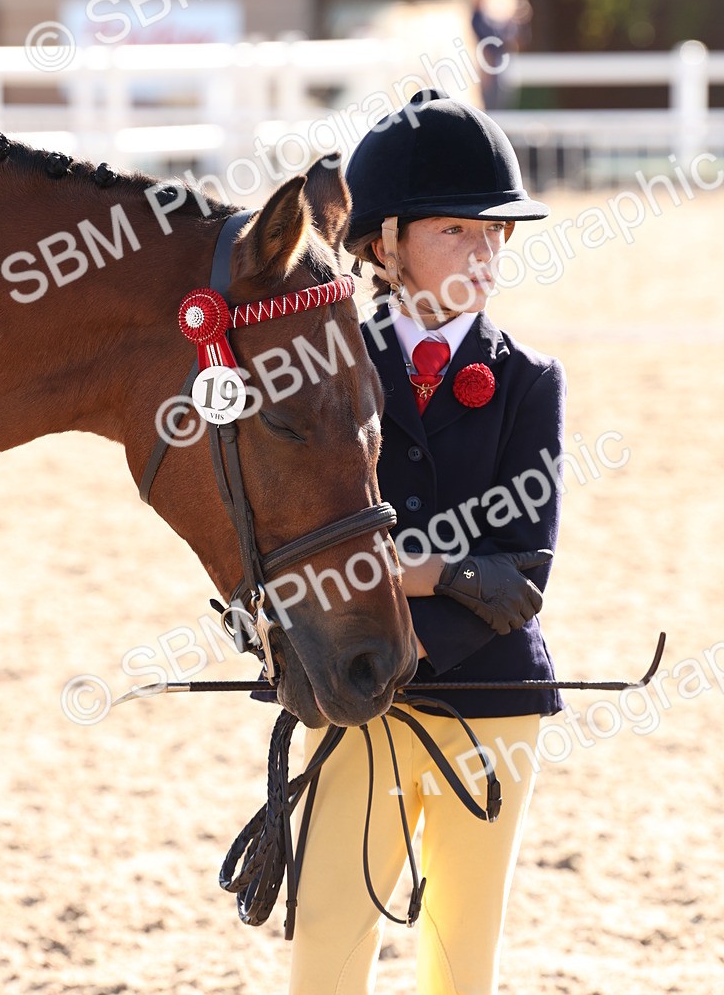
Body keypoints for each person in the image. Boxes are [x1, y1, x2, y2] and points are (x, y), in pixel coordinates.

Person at [287, 89, 566, 995]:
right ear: (385, 240)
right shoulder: (327, 370)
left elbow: (521, 580)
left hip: (492, 700)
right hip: (359, 692)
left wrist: (403, 569)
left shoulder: (528, 382)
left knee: (461, 955)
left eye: (497, 235)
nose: (485, 253)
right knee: (329, 940)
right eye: (457, 230)